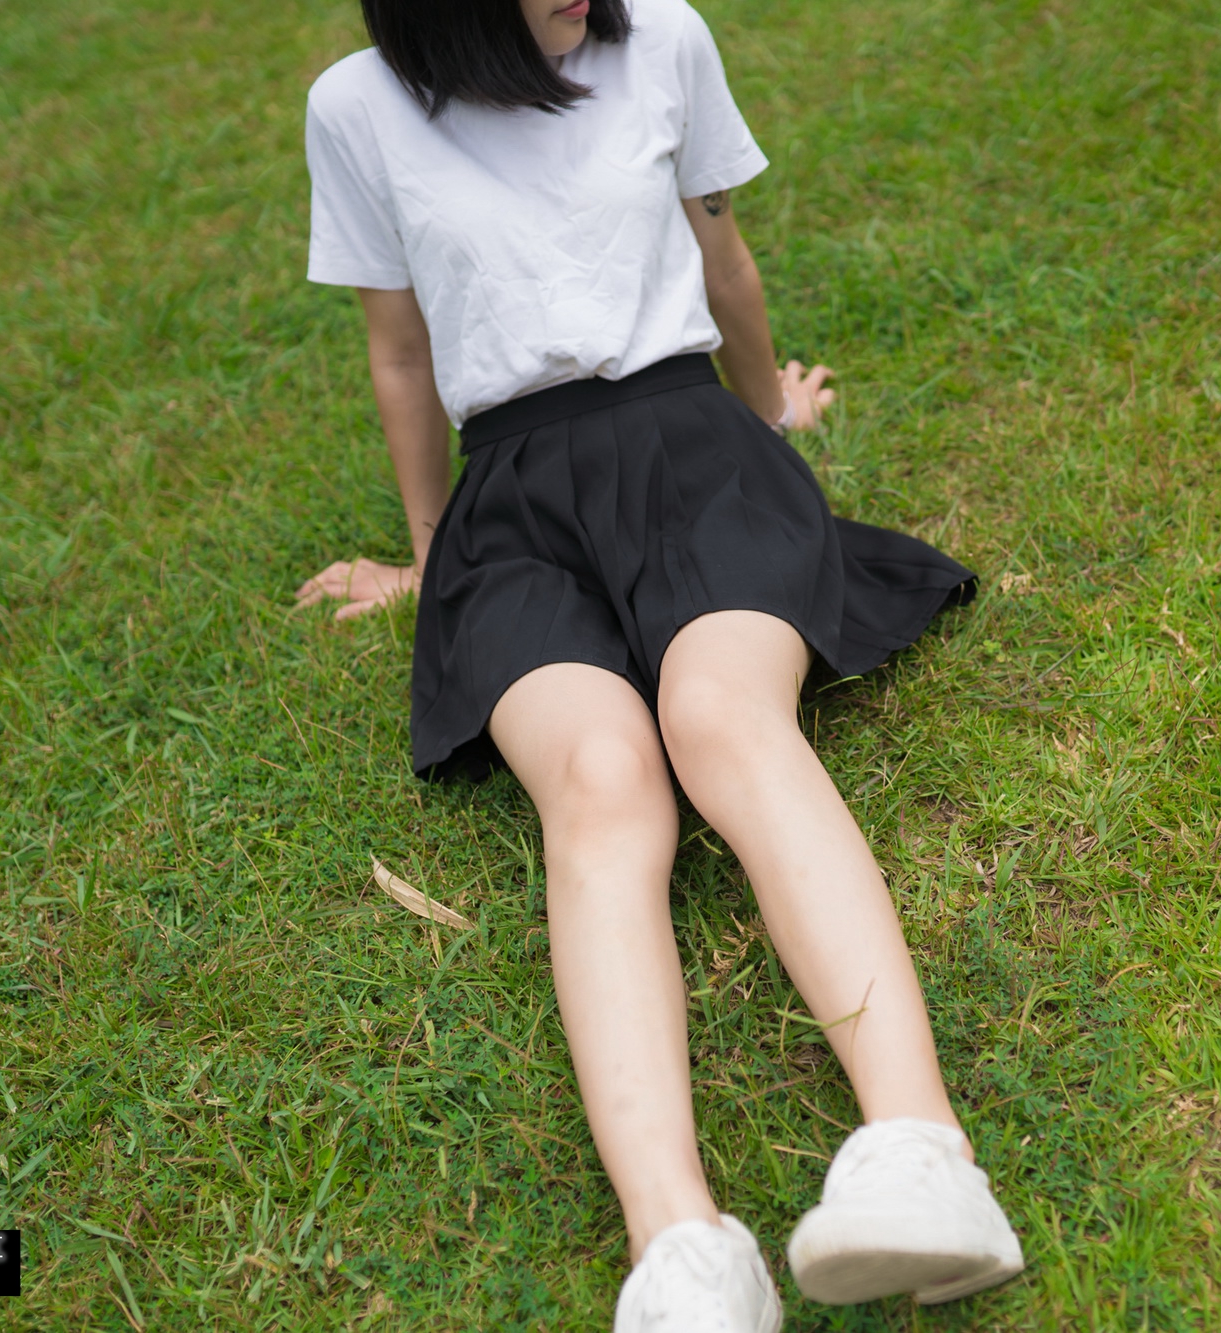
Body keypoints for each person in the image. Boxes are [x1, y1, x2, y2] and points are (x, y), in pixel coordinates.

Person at [294, 0, 1023, 1326]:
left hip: (692, 453)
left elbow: (718, 250)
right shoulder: (357, 106)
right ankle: (681, 1252)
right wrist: (427, 555)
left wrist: (770, 408)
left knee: (719, 715)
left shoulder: (663, 37)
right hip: (513, 513)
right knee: (599, 779)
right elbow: (399, 347)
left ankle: (924, 1153)